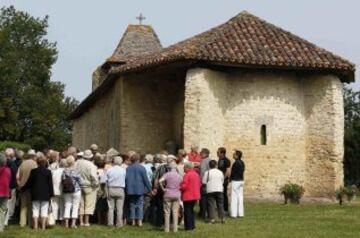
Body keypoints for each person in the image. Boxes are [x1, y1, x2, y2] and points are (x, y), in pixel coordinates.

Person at [22, 153, 54, 230]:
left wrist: (22, 189)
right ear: (45, 163)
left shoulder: (33, 171)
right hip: (45, 194)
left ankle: (35, 226)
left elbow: (29, 183)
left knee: (35, 210)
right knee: (44, 210)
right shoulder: (48, 172)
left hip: (35, 194)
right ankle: (43, 227)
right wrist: (51, 194)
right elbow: (50, 184)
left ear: (37, 162)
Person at [125, 153, 151, 227]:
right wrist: (150, 189)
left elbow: (126, 179)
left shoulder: (128, 168)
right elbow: (146, 180)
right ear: (138, 160)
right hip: (139, 189)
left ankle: (133, 221)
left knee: (132, 205)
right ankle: (139, 221)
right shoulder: (142, 168)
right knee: (139, 205)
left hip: (130, 189)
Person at [75, 149, 99, 227]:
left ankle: (81, 221)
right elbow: (93, 176)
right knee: (89, 204)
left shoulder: (77, 163)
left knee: (81, 204)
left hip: (79, 185)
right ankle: (86, 221)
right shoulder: (91, 165)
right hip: (89, 186)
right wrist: (96, 185)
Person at [102, 156, 126, 227]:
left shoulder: (109, 170)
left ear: (114, 161)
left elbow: (104, 180)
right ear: (121, 162)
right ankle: (119, 223)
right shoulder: (123, 170)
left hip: (111, 188)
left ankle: (110, 223)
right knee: (119, 208)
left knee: (111, 208)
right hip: (120, 189)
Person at [159, 161, 183, 233]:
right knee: (175, 212)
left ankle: (166, 229)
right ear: (176, 167)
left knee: (167, 212)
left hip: (168, 194)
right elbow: (182, 182)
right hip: (177, 194)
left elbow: (160, 181)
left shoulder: (167, 174)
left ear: (169, 168)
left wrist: (163, 188)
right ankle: (175, 229)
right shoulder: (179, 175)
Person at [16, 149, 37, 227]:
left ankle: (22, 222)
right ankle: (30, 222)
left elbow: (17, 176)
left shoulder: (22, 163)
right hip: (32, 188)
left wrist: (19, 185)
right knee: (31, 206)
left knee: (23, 206)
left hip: (22, 187)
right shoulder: (35, 164)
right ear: (34, 156)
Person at [62, 155, 82, 228]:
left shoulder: (64, 171)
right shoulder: (77, 171)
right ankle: (73, 223)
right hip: (76, 190)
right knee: (75, 206)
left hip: (67, 190)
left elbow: (63, 180)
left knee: (67, 205)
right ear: (74, 162)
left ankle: (66, 223)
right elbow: (80, 181)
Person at [180, 162, 201, 231]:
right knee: (191, 211)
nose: (183, 168)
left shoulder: (187, 175)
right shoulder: (196, 174)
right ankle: (192, 226)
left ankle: (188, 227)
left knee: (187, 212)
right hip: (195, 195)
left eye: (184, 167)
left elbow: (184, 186)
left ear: (187, 167)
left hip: (188, 195)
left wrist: (179, 187)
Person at [230, 150, 245, 218]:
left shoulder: (236, 163)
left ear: (237, 155)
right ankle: (241, 213)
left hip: (235, 181)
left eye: (234, 154)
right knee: (240, 197)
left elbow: (233, 172)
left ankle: (234, 214)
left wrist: (230, 179)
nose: (233, 155)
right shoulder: (242, 162)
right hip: (241, 180)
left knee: (234, 198)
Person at [50, 158, 66, 224]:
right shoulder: (65, 171)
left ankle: (54, 219)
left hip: (55, 190)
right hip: (62, 190)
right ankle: (62, 219)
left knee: (54, 205)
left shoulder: (54, 171)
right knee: (62, 205)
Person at [5, 148, 18, 226]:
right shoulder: (12, 163)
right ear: (11, 155)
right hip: (10, 186)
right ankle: (7, 218)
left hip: (5, 186)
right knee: (8, 203)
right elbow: (15, 174)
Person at [94, 156, 107, 225]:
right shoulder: (105, 172)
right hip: (103, 190)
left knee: (98, 207)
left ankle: (98, 220)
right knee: (104, 207)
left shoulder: (95, 171)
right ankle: (104, 220)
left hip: (96, 190)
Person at [0, 152, 11, 232]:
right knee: (3, 211)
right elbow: (9, 180)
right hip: (6, 192)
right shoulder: (8, 170)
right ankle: (1, 227)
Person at [217, 147, 231, 212]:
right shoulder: (219, 160)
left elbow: (228, 171)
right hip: (219, 180)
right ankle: (220, 207)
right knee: (220, 193)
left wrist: (223, 179)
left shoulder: (226, 160)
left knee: (224, 194)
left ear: (222, 153)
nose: (217, 153)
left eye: (218, 152)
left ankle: (225, 208)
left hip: (224, 180)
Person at [199, 148, 211, 220]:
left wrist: (201, 182)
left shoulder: (203, 161)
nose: (200, 154)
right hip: (210, 182)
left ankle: (203, 214)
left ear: (205, 154)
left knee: (203, 199)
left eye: (201, 153)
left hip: (204, 183)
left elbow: (202, 172)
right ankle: (209, 213)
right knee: (209, 199)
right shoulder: (210, 160)